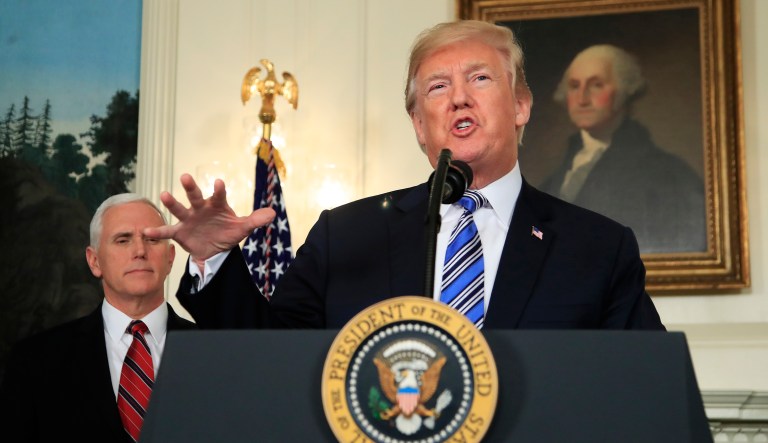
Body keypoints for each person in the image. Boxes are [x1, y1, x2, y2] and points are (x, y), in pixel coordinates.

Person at [148, 20, 664, 331]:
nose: (459, 97)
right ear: (419, 124)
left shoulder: (598, 248)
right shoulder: (345, 237)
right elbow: (270, 356)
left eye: (480, 78)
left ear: (521, 106)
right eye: (438, 87)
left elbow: (644, 386)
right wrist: (215, 259)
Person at [0, 194, 196, 443]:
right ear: (94, 261)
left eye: (152, 239)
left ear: (170, 258)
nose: (140, 251)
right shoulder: (34, 361)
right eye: (123, 240)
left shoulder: (214, 353)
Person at [540, 44, 706, 253]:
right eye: (574, 86)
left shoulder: (668, 174)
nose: (582, 99)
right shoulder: (555, 178)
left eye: (596, 85)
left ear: (624, 90)